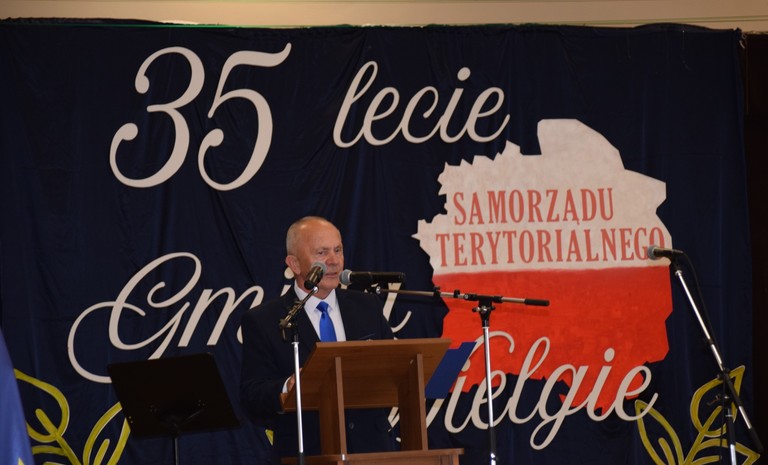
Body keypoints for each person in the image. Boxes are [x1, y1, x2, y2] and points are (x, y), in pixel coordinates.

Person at [240, 216, 396, 460]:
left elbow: (393, 370)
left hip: (371, 450)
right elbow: (253, 396)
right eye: (322, 253)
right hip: (308, 452)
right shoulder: (265, 320)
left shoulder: (367, 307)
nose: (333, 261)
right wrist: (288, 387)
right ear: (294, 263)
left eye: (338, 250)